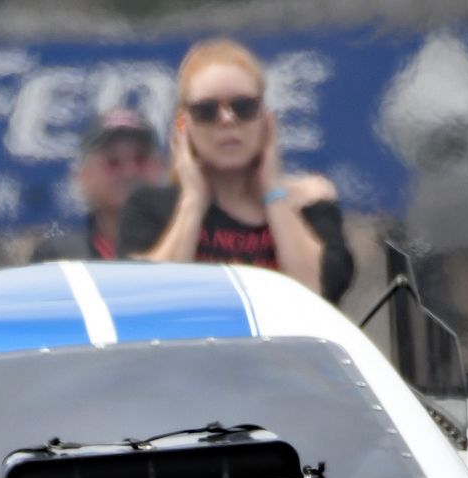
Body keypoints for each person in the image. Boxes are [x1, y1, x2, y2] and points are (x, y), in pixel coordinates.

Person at [118, 38, 354, 302]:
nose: (227, 120)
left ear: (266, 121)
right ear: (183, 127)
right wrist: (193, 202)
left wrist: (273, 193)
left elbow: (316, 293)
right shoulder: (149, 207)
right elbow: (150, 302)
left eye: (243, 107)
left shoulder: (309, 203)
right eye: (207, 111)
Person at [31, 107, 164, 263]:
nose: (129, 172)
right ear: (82, 175)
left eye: (140, 160)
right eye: (113, 162)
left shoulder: (190, 243)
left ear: (160, 167)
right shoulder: (59, 257)